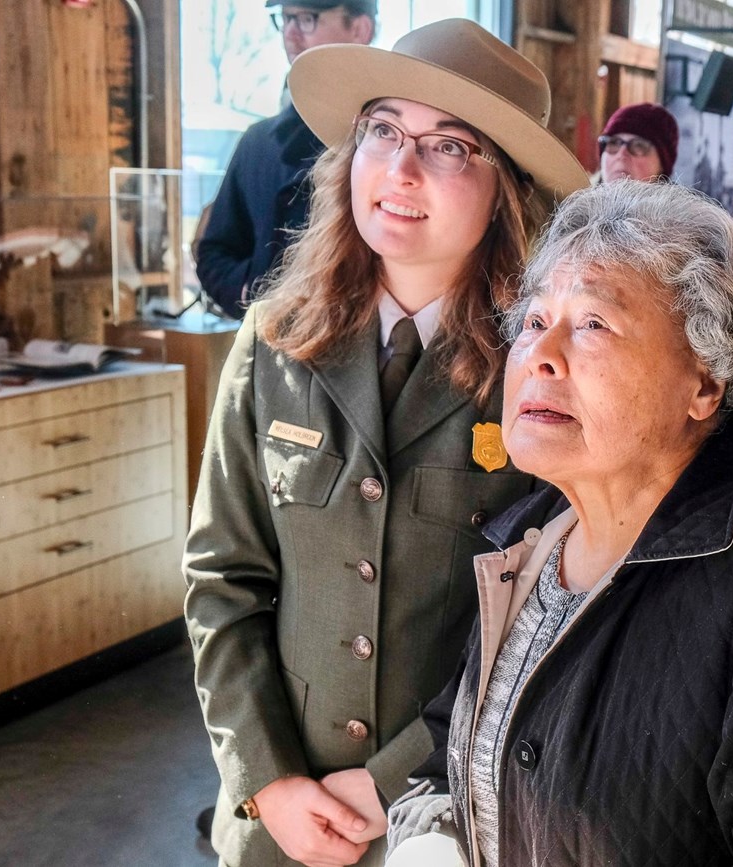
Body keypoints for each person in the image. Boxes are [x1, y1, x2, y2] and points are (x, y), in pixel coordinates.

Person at [385, 180, 733, 867]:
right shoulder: (532, 541)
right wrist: (431, 841)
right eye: (533, 322)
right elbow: (449, 757)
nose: (542, 354)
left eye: (592, 324)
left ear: (704, 384)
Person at [183, 19, 588, 867]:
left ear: (505, 188)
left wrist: (399, 772)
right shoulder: (273, 341)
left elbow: (554, 616)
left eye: (448, 147)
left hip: (453, 818)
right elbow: (223, 582)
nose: (402, 170)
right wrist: (272, 780)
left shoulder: (540, 371)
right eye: (383, 132)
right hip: (278, 824)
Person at [195, 1, 376, 319]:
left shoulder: (391, 144)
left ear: (360, 29)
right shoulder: (258, 142)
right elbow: (214, 251)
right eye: (285, 19)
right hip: (273, 352)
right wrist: (253, 295)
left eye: (308, 18)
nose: (291, 34)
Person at [595, 102, 678, 182]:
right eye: (613, 143)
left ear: (662, 166)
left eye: (639, 146)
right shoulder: (583, 192)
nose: (621, 155)